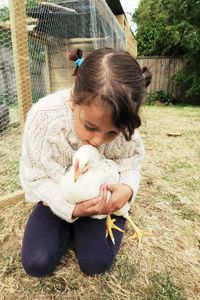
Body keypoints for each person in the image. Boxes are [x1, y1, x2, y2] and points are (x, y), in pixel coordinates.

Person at [20, 47, 151, 277]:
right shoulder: (43, 118)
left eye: (112, 133)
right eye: (90, 127)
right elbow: (36, 175)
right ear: (74, 100)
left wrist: (127, 189)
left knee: (96, 262)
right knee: (36, 262)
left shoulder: (123, 125)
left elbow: (130, 160)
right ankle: (67, 225)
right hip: (56, 198)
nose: (98, 140)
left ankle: (91, 227)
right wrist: (70, 208)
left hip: (99, 200)